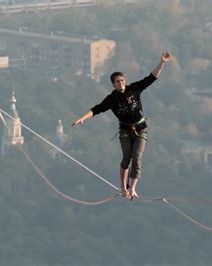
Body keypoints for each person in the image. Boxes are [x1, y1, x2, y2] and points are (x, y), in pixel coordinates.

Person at [72, 52, 171, 200]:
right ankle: (123, 187)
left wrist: (161, 62)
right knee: (127, 158)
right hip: (125, 130)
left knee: (137, 158)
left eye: (122, 80)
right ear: (113, 84)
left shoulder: (134, 89)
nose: (121, 83)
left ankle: (133, 189)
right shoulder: (112, 99)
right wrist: (82, 118)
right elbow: (96, 109)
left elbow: (152, 77)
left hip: (140, 128)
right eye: (117, 81)